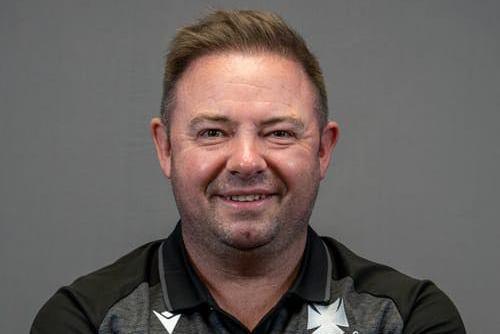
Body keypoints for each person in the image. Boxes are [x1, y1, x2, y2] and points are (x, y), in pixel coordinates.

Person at [31, 10, 465, 334]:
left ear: (322, 150)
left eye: (278, 133)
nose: (245, 161)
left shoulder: (407, 317)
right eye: (213, 132)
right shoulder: (86, 319)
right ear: (165, 148)